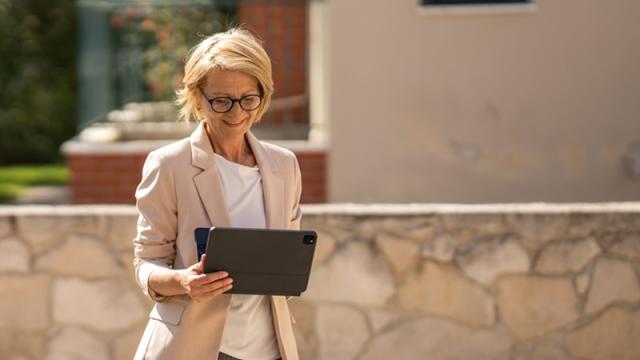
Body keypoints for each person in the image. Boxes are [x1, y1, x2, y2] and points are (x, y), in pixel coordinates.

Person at [133, 28, 302, 360]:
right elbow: (145, 262)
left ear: (263, 95)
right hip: (193, 348)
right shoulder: (169, 165)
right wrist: (183, 281)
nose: (236, 113)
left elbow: (288, 260)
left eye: (248, 99)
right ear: (197, 97)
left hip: (270, 349)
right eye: (221, 101)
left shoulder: (284, 166)